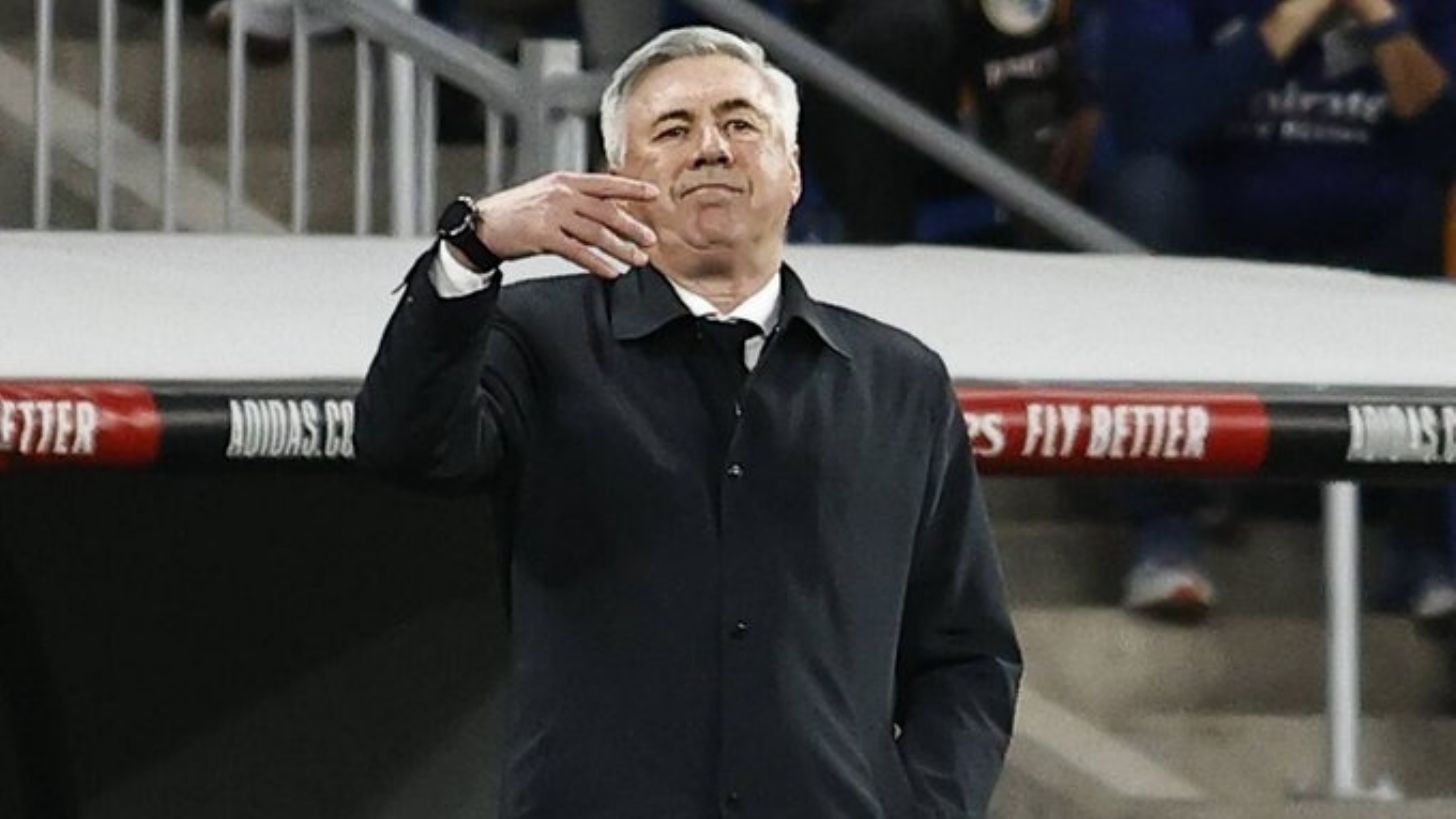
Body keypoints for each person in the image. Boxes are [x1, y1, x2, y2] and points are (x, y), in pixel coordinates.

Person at [354, 26, 1021, 818]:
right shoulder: (535, 337)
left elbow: (967, 654)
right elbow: (403, 442)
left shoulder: (900, 381)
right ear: (617, 180)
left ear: (794, 170)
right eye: (673, 130)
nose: (711, 147)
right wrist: (472, 247)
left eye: (741, 122)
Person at [1098, 0, 1456, 620]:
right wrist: (1293, 17)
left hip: (1371, 239)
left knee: (1432, 212)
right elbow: (1152, 120)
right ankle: (1165, 537)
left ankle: (1424, 554)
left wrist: (1382, 20)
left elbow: (1445, 141)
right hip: (1217, 238)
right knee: (1145, 193)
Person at [797, 0, 1104, 244]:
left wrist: (1093, 91)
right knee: (898, 28)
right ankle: (878, 254)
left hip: (1018, 69)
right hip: (893, 84)